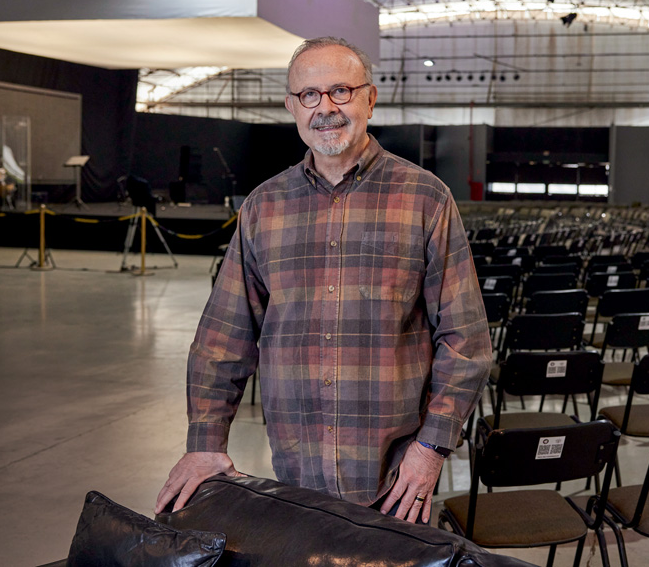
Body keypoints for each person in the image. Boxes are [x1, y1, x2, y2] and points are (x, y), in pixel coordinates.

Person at [156, 36, 492, 524]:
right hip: (296, 472)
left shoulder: (426, 199)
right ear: (292, 107)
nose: (326, 108)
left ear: (369, 100)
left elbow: (466, 339)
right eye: (309, 95)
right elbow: (223, 337)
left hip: (398, 480)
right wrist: (205, 443)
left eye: (341, 91)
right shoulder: (263, 207)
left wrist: (431, 448)